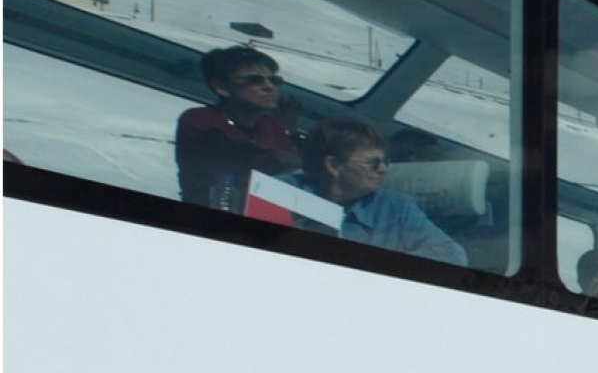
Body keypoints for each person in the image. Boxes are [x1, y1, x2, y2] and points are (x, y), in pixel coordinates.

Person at [290, 119, 467, 266]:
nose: (383, 169)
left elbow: (453, 255)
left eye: (385, 162)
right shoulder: (282, 193)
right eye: (373, 163)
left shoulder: (395, 206)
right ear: (334, 166)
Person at [175, 46, 302, 206]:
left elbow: (296, 168)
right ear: (221, 87)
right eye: (254, 80)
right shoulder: (199, 120)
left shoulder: (272, 126)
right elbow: (233, 162)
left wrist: (292, 132)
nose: (269, 87)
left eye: (274, 81)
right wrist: (276, 158)